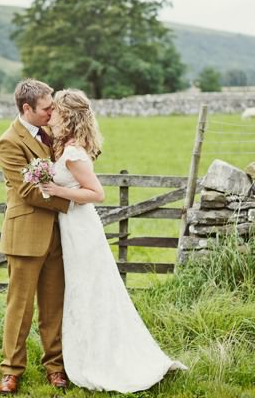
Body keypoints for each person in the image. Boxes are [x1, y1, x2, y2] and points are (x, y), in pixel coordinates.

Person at [39, 89, 187, 393]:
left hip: (81, 230)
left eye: (54, 110)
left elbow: (96, 194)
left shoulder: (75, 153)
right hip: (70, 228)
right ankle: (82, 352)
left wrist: (57, 190)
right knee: (81, 291)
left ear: (66, 116)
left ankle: (102, 359)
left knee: (90, 290)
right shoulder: (64, 146)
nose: (50, 114)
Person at [0, 79, 71, 395]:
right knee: (20, 307)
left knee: (54, 306)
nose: (52, 112)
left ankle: (55, 367)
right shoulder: (9, 142)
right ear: (27, 108)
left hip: (58, 234)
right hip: (26, 234)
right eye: (47, 108)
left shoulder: (53, 131)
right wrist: (73, 199)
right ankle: (11, 370)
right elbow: (27, 190)